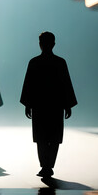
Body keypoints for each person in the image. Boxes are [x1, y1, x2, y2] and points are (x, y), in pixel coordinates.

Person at [20, 31, 77, 178]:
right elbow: (66, 85)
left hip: (39, 105)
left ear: (40, 44)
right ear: (54, 44)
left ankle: (44, 165)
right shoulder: (60, 62)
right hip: (55, 106)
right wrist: (68, 105)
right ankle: (49, 165)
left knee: (41, 138)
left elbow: (28, 86)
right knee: (54, 137)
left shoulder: (34, 62)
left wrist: (28, 104)